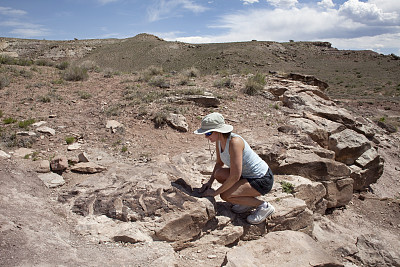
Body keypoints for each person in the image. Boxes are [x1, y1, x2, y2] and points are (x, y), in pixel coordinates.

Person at [194, 112, 275, 224]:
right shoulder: (219, 141)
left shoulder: (234, 142)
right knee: (219, 174)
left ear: (219, 131)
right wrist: (209, 183)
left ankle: (263, 206)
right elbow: (219, 163)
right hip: (246, 176)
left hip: (262, 179)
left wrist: (214, 193)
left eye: (208, 133)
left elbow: (235, 176)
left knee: (226, 195)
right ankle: (245, 201)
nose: (206, 137)